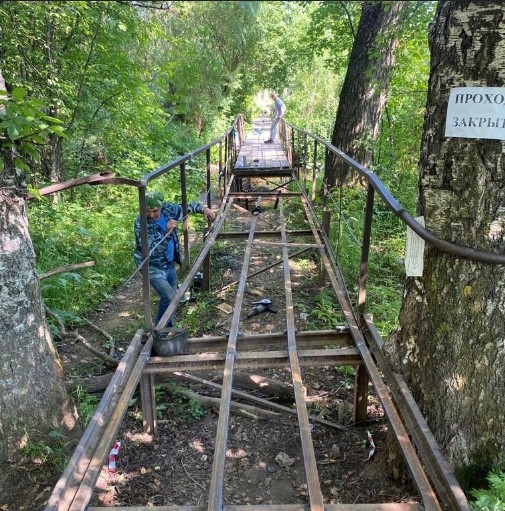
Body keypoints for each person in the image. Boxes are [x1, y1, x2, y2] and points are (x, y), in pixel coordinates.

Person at [133, 190, 215, 329]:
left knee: (174, 298)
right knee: (170, 297)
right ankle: (161, 331)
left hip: (168, 263)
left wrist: (204, 209)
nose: (151, 215)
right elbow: (152, 251)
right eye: (147, 211)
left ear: (161, 207)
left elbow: (186, 207)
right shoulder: (141, 223)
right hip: (151, 266)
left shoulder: (168, 210)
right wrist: (167, 232)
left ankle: (167, 328)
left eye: (155, 211)